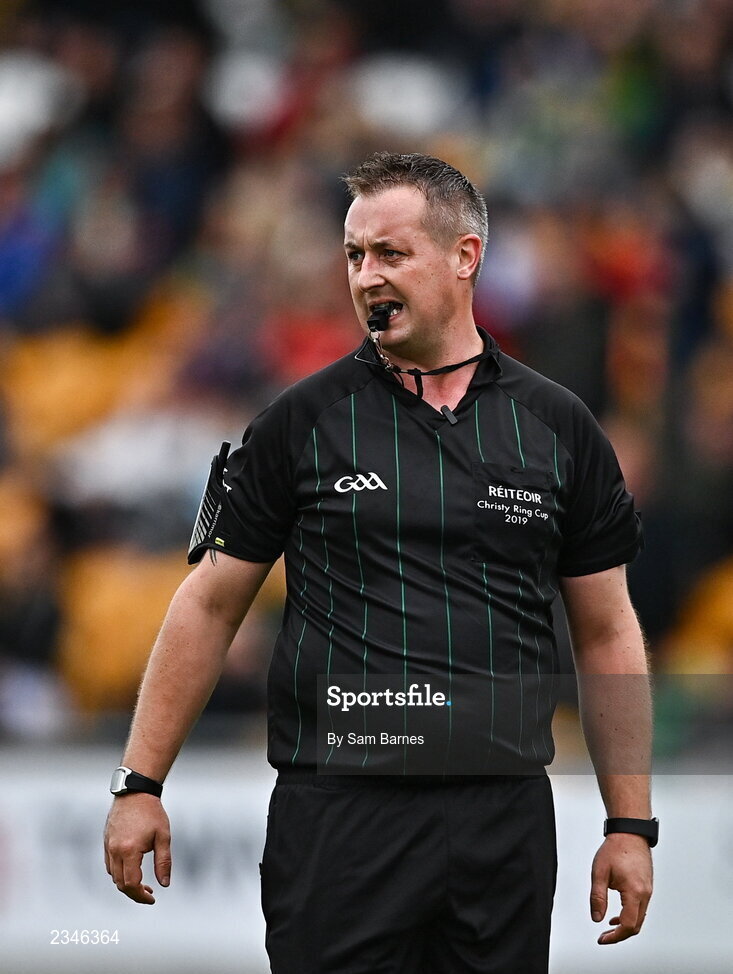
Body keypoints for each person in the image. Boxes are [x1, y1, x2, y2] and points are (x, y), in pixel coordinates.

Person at [104, 152, 655, 973]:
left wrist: (628, 825)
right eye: (354, 255)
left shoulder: (558, 428)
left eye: (390, 253)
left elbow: (607, 631)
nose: (365, 276)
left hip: (499, 823)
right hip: (340, 819)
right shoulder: (301, 421)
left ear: (464, 258)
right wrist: (139, 784)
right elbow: (208, 605)